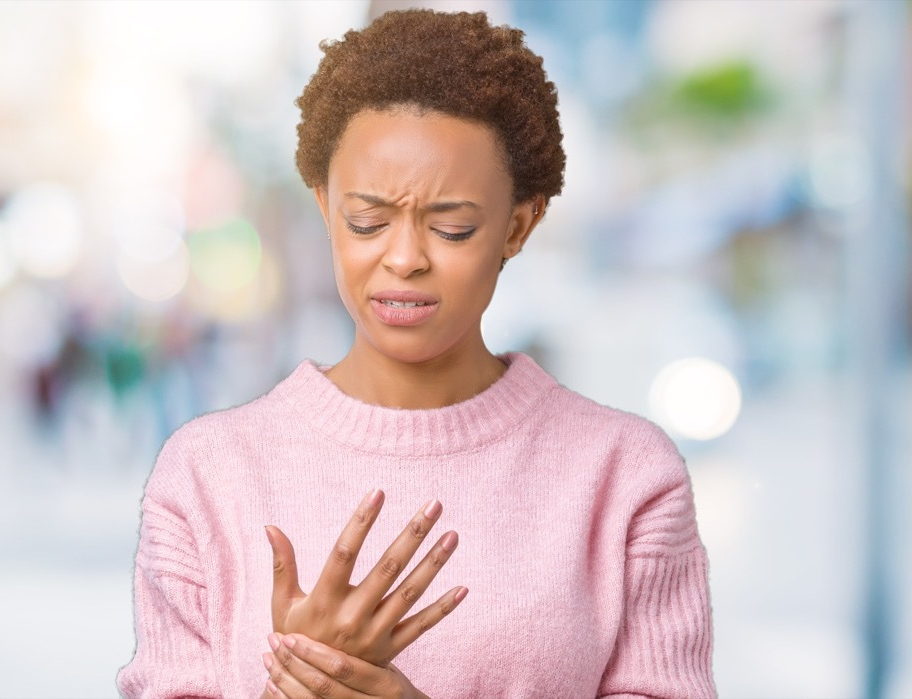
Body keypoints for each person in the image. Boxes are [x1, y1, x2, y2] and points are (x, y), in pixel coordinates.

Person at [118, 9, 714, 699]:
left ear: (519, 225)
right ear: (324, 206)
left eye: (453, 227)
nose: (404, 258)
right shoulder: (206, 475)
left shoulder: (624, 477)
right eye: (367, 221)